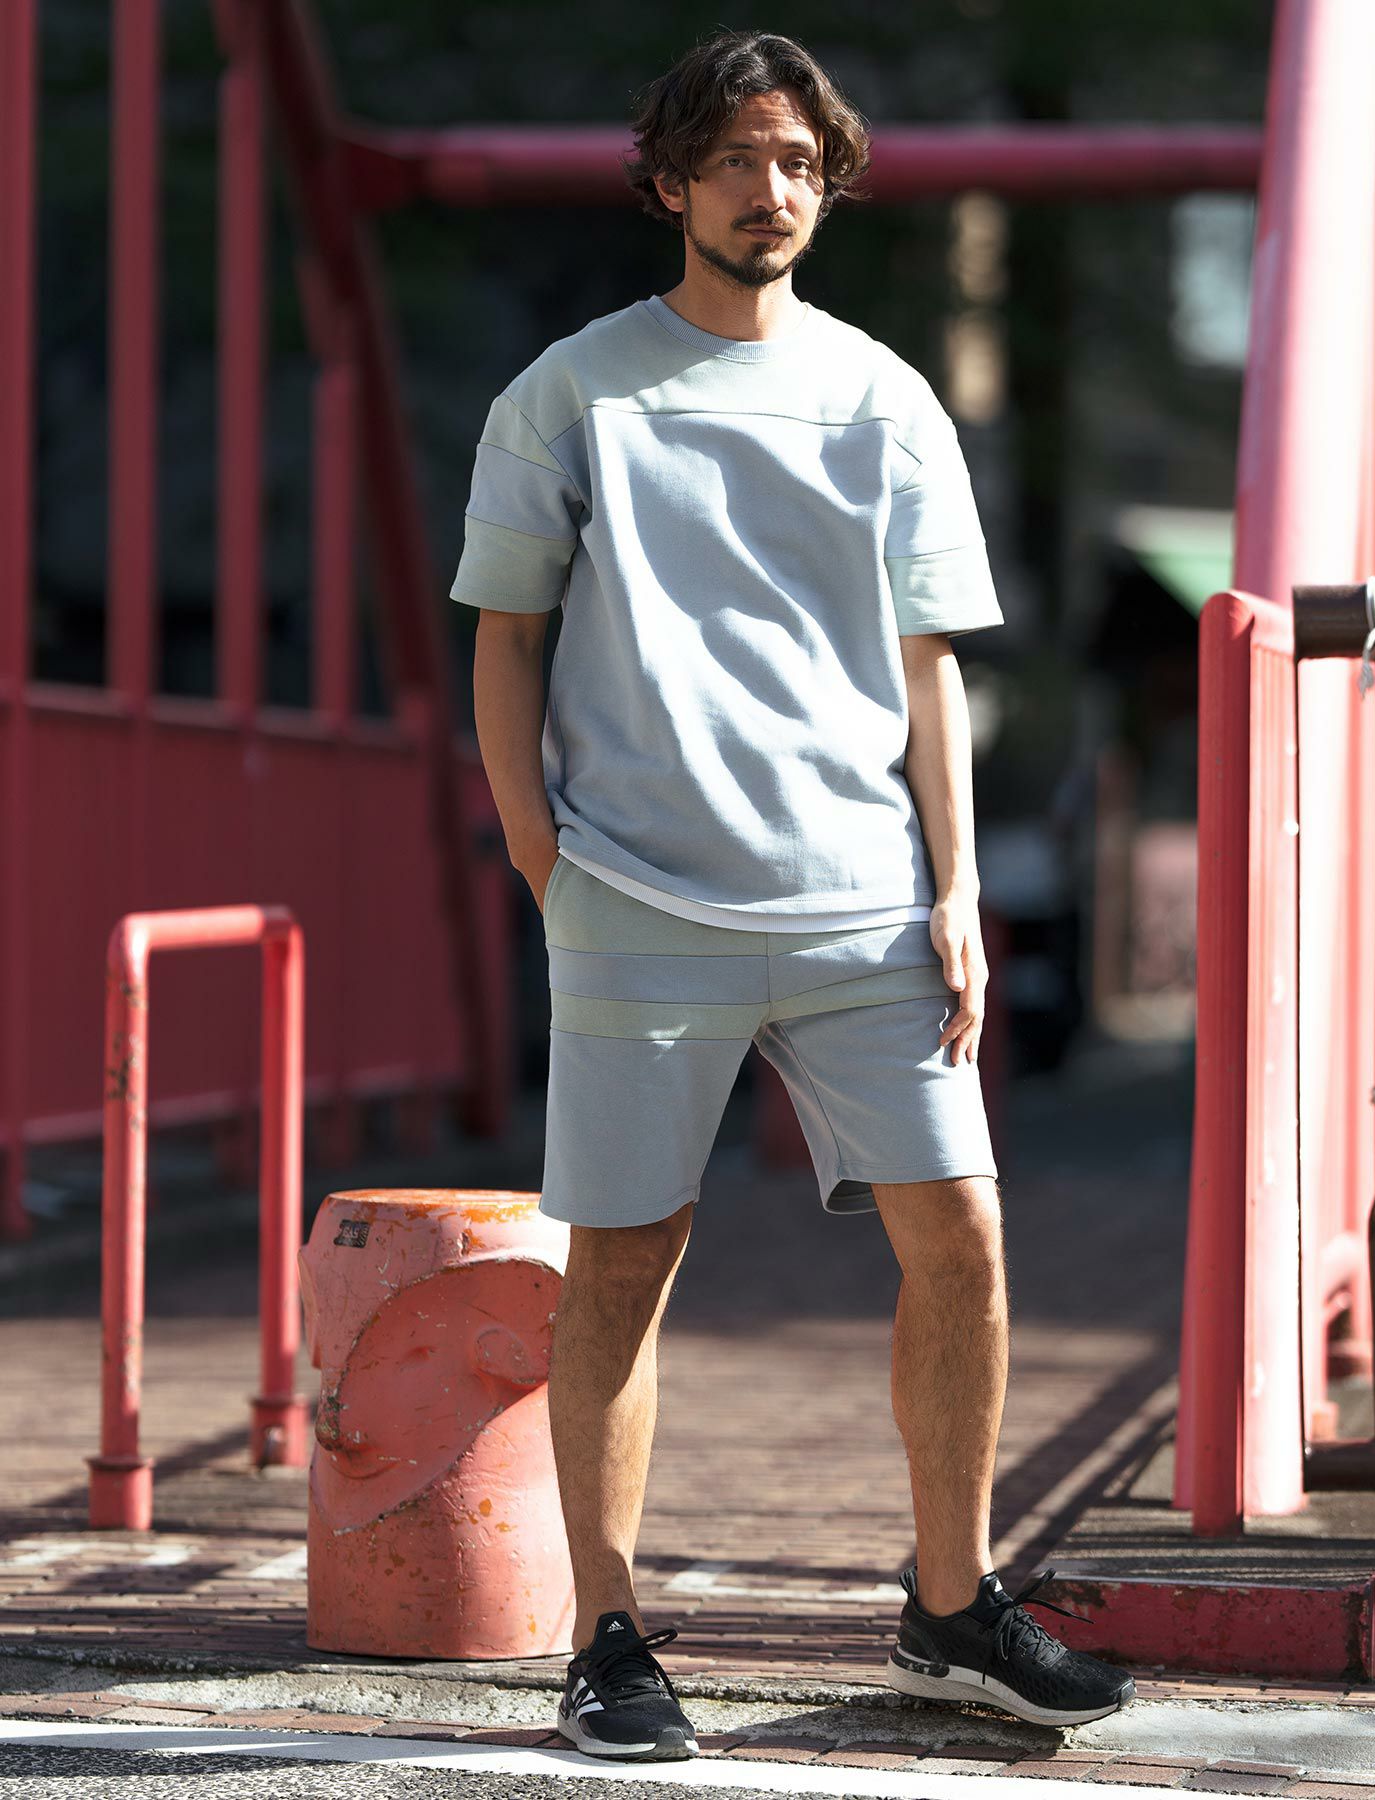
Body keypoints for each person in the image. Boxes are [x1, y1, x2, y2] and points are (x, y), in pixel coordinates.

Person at [455, 26, 1134, 1763]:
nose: (774, 190)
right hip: (636, 898)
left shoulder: (886, 398)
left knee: (963, 1238)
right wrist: (541, 856)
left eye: (802, 163)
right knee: (623, 1264)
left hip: (864, 905)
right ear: (671, 182)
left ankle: (950, 1609)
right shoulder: (570, 394)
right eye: (741, 159)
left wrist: (957, 890)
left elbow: (929, 669)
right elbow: (506, 642)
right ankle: (608, 1639)